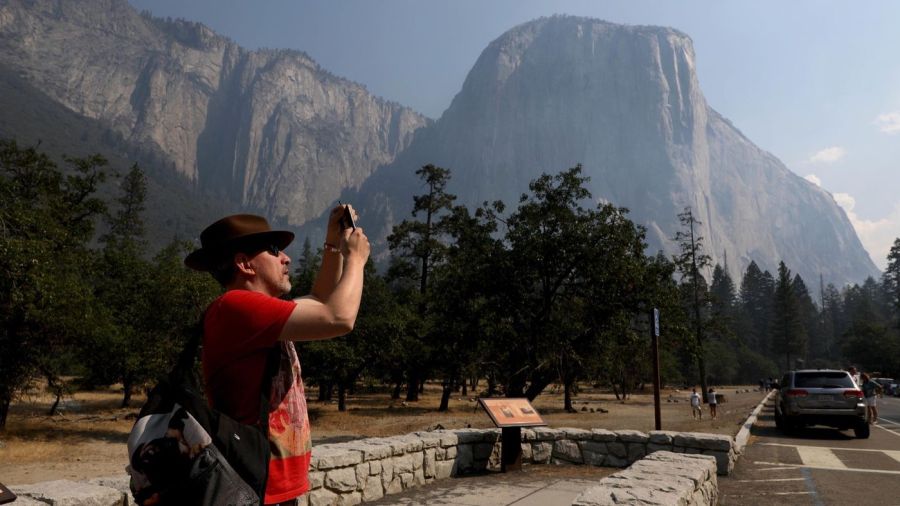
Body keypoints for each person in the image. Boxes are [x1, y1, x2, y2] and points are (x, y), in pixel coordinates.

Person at [185, 208, 369, 506]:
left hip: (268, 485)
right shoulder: (236, 307)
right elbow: (338, 317)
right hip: (253, 485)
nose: (286, 258)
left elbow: (321, 300)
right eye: (273, 251)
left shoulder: (255, 313)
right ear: (244, 264)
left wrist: (333, 245)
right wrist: (356, 260)